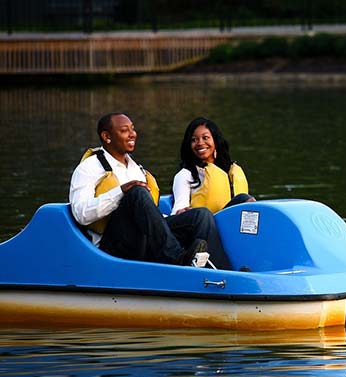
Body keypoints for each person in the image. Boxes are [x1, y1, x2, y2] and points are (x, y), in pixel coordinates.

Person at [69, 112, 232, 269]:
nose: (132, 134)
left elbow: (147, 214)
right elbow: (81, 214)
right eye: (125, 131)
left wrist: (174, 217)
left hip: (142, 238)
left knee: (200, 215)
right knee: (136, 192)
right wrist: (121, 192)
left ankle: (221, 273)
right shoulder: (89, 168)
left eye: (133, 129)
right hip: (112, 245)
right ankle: (177, 260)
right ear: (107, 137)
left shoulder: (136, 168)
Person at [171, 117, 254, 216]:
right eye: (194, 140)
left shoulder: (229, 171)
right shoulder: (185, 175)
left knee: (245, 199)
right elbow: (178, 211)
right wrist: (181, 211)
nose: (200, 143)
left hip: (231, 222)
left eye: (205, 138)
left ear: (216, 141)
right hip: (203, 224)